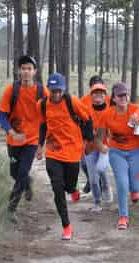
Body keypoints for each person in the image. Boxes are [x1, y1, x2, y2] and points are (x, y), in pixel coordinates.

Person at [37, 73, 93, 240]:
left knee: (68, 186)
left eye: (59, 91)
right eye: (53, 91)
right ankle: (66, 226)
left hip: (73, 152)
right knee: (57, 187)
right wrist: (40, 146)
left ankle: (73, 189)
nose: (56, 95)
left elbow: (88, 118)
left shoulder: (72, 102)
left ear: (64, 90)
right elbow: (42, 125)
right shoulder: (42, 105)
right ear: (48, 90)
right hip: (53, 152)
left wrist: (88, 140)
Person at [0, 55, 49, 224]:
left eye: (29, 68)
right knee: (15, 173)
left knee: (20, 173)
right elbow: (2, 116)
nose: (26, 71)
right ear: (19, 71)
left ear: (35, 71)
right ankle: (28, 182)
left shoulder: (42, 92)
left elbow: (48, 120)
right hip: (14, 140)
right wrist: (11, 132)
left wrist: (41, 145)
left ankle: (11, 210)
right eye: (23, 68)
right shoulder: (11, 90)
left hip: (32, 141)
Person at [96, 82, 139, 230]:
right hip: (117, 152)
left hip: (136, 151)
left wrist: (138, 124)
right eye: (120, 95)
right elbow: (99, 137)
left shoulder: (137, 111)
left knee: (135, 185)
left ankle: (135, 191)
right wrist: (102, 146)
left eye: (125, 95)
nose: (123, 98)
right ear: (114, 98)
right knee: (122, 184)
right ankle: (123, 216)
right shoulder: (107, 114)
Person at [81, 82, 113, 212]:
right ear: (91, 96)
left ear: (105, 96)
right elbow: (81, 127)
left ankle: (106, 186)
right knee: (93, 178)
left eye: (101, 93)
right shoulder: (86, 110)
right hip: (90, 147)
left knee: (100, 169)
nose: (98, 95)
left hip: (104, 146)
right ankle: (97, 202)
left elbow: (114, 129)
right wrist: (89, 132)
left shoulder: (110, 111)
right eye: (95, 93)